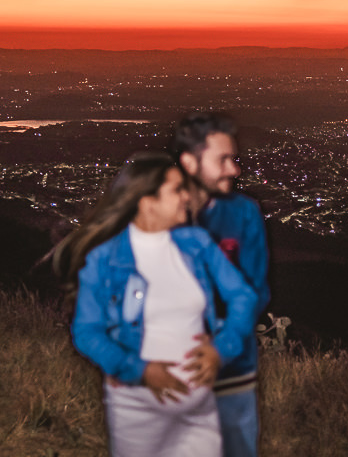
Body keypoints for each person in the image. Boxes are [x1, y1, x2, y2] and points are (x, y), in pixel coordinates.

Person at [53, 152, 256, 457]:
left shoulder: (197, 244)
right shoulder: (104, 260)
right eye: (177, 190)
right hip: (137, 407)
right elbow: (86, 331)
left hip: (198, 406)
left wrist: (221, 347)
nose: (187, 196)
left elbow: (243, 297)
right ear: (147, 202)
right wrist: (139, 370)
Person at [172, 113, 270, 457]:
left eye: (235, 159)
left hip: (233, 368)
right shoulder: (159, 214)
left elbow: (254, 291)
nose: (234, 170)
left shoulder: (245, 213)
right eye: (223, 160)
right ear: (190, 162)